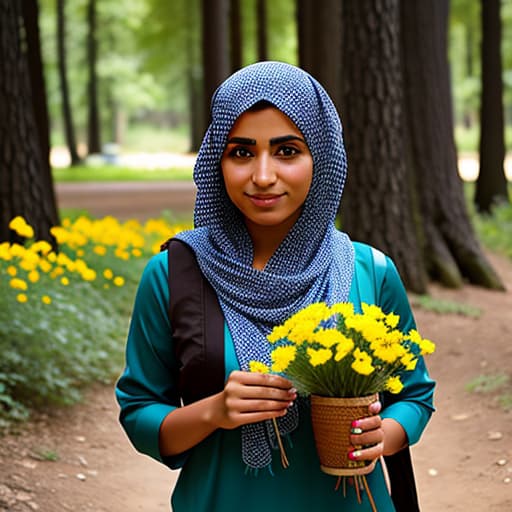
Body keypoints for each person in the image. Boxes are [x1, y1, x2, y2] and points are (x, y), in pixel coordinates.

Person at [115, 61, 435, 511]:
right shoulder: (173, 274)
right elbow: (140, 410)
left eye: (287, 151)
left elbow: (415, 395)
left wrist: (385, 434)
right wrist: (214, 412)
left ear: (320, 156)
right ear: (216, 161)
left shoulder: (370, 271)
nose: (263, 176)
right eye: (242, 153)